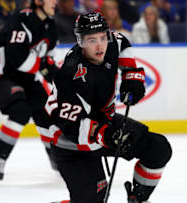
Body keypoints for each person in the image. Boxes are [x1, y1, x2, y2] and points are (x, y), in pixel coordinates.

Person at [44, 12, 172, 203]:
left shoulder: (112, 42)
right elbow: (69, 125)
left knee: (158, 148)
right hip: (70, 142)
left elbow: (123, 43)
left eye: (103, 37)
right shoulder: (71, 75)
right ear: (80, 41)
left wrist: (131, 74)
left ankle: (138, 198)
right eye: (92, 40)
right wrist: (107, 135)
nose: (100, 45)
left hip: (103, 123)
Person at [0, 0, 59, 180]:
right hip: (1, 74)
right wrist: (44, 66)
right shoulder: (22, 21)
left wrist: (65, 83)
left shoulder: (51, 26)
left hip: (27, 77)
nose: (55, 1)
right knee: (20, 111)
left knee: (47, 113)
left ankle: (55, 158)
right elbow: (16, 59)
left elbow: (49, 62)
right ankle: (0, 158)